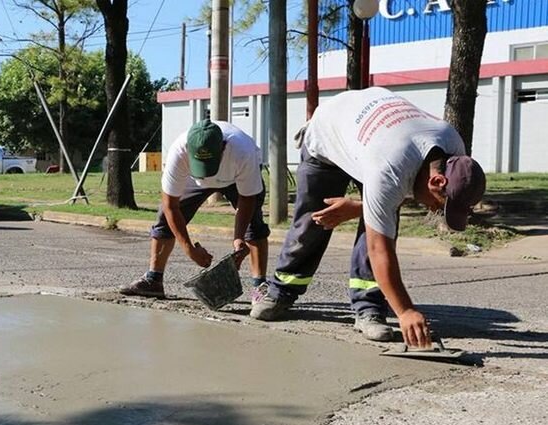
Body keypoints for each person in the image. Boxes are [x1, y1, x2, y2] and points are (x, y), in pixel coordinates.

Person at [250, 87, 486, 349]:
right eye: (439, 205)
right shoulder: (390, 166)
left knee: (381, 219)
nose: (434, 211)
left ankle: (369, 307)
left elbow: (400, 195)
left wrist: (359, 207)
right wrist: (405, 311)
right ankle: (281, 290)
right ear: (437, 181)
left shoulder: (455, 149)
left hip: (373, 138)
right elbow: (379, 248)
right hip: (328, 137)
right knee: (314, 221)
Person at [120, 119, 270, 303]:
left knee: (254, 224)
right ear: (189, 151)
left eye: (209, 165)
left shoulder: (243, 151)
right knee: (164, 219)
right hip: (194, 180)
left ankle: (259, 288)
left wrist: (238, 238)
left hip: (236, 177)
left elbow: (247, 199)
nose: (207, 173)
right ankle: (153, 280)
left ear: (223, 147)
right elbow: (170, 206)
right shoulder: (178, 151)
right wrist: (190, 250)